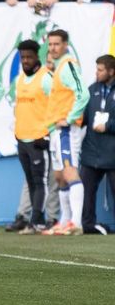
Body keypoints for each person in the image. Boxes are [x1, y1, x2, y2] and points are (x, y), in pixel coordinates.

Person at [44, 28, 91, 234]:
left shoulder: (68, 65)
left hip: (67, 130)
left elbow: (83, 93)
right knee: (60, 176)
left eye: (57, 44)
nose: (53, 48)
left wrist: (70, 118)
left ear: (65, 45)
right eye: (50, 44)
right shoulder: (57, 67)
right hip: (56, 130)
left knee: (70, 171)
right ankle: (64, 221)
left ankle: (76, 222)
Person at [11, 38, 55, 233]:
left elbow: (57, 105)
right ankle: (34, 220)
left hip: (39, 138)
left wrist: (48, 133)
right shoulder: (19, 80)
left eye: (29, 57)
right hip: (23, 138)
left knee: (41, 182)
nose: (26, 60)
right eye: (23, 57)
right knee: (30, 182)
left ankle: (37, 221)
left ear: (38, 56)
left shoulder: (46, 78)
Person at [79, 54, 115, 234]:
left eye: (100, 70)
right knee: (86, 191)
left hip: (112, 152)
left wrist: (108, 126)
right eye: (96, 69)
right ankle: (87, 224)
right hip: (91, 152)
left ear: (111, 71)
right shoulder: (91, 90)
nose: (97, 73)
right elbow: (83, 118)